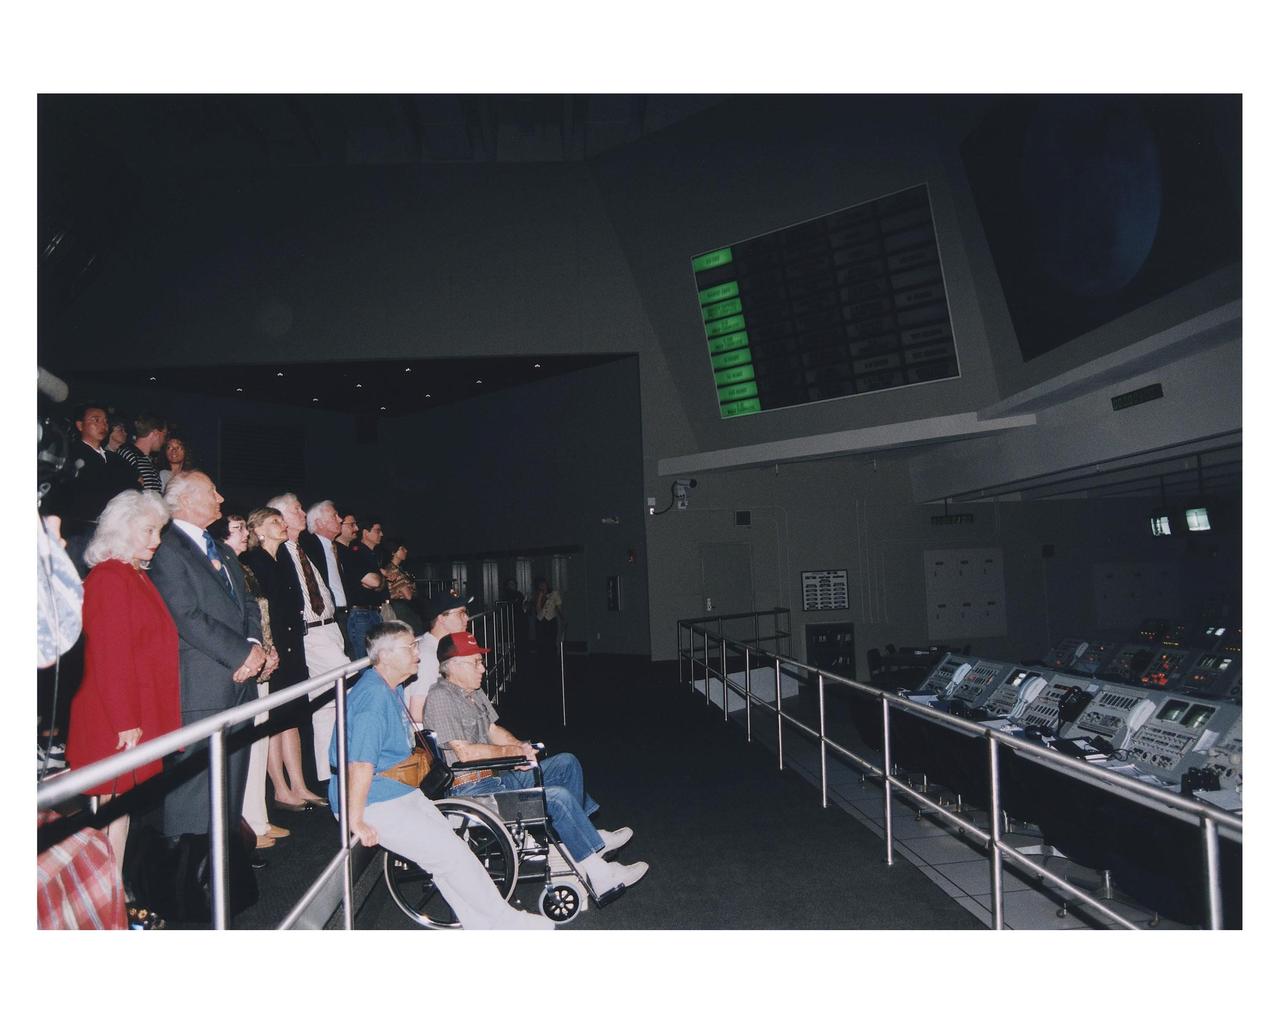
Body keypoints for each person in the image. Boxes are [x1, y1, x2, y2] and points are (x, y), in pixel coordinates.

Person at [330, 620, 552, 930]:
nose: (418, 653)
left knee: (453, 852)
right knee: (448, 855)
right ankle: (502, 923)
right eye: (411, 647)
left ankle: (487, 922)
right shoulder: (373, 699)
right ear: (387, 655)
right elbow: (359, 764)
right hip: (372, 799)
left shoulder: (388, 688)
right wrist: (355, 820)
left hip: (397, 789)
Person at [424, 631, 648, 900]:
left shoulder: (474, 692)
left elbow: (493, 729)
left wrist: (519, 747)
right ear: (454, 665)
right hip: (473, 791)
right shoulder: (440, 697)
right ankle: (600, 875)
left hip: (498, 776)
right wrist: (510, 753)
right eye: (475, 662)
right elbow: (463, 753)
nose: (483, 668)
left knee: (567, 763)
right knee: (555, 797)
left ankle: (584, 842)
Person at [65, 490, 181, 876]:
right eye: (149, 529)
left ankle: (112, 895)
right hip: (114, 720)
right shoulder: (110, 578)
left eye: (159, 530)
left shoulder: (131, 574)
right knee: (108, 817)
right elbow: (109, 656)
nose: (157, 539)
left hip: (134, 714)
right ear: (122, 528)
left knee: (121, 814)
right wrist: (124, 721)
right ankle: (106, 899)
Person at [148, 471, 266, 839]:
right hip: (203, 687)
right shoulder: (166, 548)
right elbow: (184, 614)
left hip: (238, 683)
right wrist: (240, 655)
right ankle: (188, 882)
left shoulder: (223, 550)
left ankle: (221, 873)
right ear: (184, 500)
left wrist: (255, 645)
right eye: (212, 491)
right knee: (195, 793)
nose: (220, 495)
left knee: (229, 788)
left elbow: (247, 604)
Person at [241, 505, 327, 813]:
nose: (282, 524)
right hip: (274, 650)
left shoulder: (284, 559)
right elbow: (261, 613)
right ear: (258, 529)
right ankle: (281, 789)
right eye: (274, 521)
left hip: (293, 646)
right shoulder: (252, 562)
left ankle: (300, 784)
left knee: (292, 718)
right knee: (274, 721)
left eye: (281, 519)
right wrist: (268, 649)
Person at [214, 513, 286, 849]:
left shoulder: (243, 568)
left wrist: (268, 651)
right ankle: (246, 827)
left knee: (258, 744)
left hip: (261, 659)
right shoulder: (221, 568)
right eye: (238, 529)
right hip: (242, 665)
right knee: (244, 749)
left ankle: (257, 818)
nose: (245, 534)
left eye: (245, 527)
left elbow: (259, 615)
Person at [271, 493, 348, 790]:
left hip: (329, 628)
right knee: (349, 683)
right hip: (311, 632)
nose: (302, 513)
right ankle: (356, 761)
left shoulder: (304, 549)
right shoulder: (278, 553)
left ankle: (329, 771)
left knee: (325, 704)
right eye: (296, 509)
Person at [44, 403, 140, 572]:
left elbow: (135, 486)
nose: (103, 425)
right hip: (79, 535)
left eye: (105, 421)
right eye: (95, 420)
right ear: (80, 425)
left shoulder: (115, 459)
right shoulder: (71, 454)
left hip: (111, 534)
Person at [403, 590, 472, 723]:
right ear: (441, 618)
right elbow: (416, 713)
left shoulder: (440, 649)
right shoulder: (427, 656)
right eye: (461, 613)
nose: (467, 618)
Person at [341, 516, 388, 659]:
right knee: (364, 659)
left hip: (373, 612)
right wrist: (381, 579)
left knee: (376, 657)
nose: (381, 534)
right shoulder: (356, 552)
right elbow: (373, 582)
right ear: (366, 533)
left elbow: (378, 584)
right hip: (361, 614)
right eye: (377, 530)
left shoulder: (371, 554)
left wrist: (380, 580)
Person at [115, 412, 167, 493]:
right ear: (156, 433)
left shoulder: (149, 460)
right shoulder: (127, 454)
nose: (164, 440)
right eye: (164, 435)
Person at [381, 538, 424, 635]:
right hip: (401, 608)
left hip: (404, 608)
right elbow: (408, 595)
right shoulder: (392, 570)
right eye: (402, 549)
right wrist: (413, 591)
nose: (406, 551)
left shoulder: (399, 570)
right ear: (393, 552)